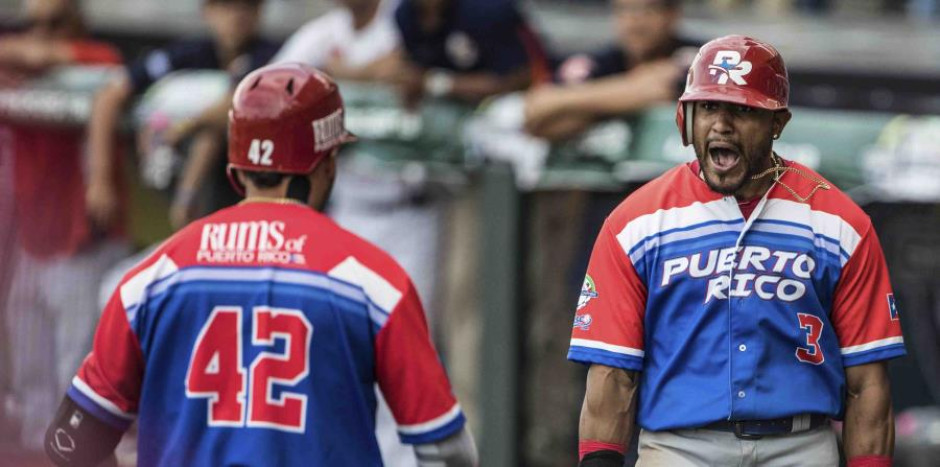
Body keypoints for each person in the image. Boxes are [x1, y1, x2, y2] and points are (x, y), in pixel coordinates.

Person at [44, 63, 477, 467]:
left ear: (236, 169)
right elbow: (445, 447)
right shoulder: (373, 280)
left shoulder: (152, 275)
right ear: (326, 164)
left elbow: (70, 443)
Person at [569, 36, 905, 467]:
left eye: (743, 110)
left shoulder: (839, 222)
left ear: (777, 123)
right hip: (678, 447)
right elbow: (612, 373)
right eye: (709, 107)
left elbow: (868, 381)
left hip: (800, 447)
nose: (722, 125)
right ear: (685, 118)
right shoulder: (635, 223)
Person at [84, 0, 278, 232]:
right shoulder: (191, 52)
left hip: (247, 195)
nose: (236, 16)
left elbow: (236, 103)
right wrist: (100, 180)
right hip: (170, 173)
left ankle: (185, 201)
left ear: (259, 11)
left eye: (245, 6)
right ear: (207, 11)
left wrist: (182, 128)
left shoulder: (271, 55)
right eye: (226, 6)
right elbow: (110, 95)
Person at [524, 0, 698, 141]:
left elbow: (661, 90)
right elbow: (537, 110)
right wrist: (627, 91)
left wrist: (576, 102)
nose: (635, 21)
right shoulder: (600, 62)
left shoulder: (700, 55)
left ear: (672, 14)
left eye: (648, 10)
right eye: (624, 10)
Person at [393, 0, 549, 104]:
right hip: (445, 104)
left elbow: (519, 77)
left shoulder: (488, 9)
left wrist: (438, 84)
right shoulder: (405, 14)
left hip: (514, 101)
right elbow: (414, 71)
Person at [270, 0, 402, 82]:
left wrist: (340, 73)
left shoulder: (401, 14)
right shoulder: (327, 27)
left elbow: (399, 71)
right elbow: (274, 77)